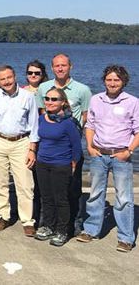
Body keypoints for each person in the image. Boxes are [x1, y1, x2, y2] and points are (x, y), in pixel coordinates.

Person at [78, 65, 138, 253]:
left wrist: (129, 150)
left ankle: (126, 237)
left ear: (123, 82)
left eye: (116, 80)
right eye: (109, 79)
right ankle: (91, 230)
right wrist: (89, 146)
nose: (112, 83)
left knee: (123, 197)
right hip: (98, 153)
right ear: (104, 80)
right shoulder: (96, 100)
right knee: (95, 194)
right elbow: (90, 125)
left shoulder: (133, 102)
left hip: (120, 155)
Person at [36, 53, 92, 235]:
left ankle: (71, 224)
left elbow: (85, 118)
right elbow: (44, 114)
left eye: (64, 65)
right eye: (56, 66)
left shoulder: (82, 90)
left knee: (72, 190)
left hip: (69, 148)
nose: (60, 68)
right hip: (49, 151)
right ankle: (49, 224)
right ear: (52, 68)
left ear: (70, 67)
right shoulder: (44, 88)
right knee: (48, 193)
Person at [0, 65, 39, 236]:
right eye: (3, 79)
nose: (6, 81)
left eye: (9, 77)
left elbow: (34, 125)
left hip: (21, 142)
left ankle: (27, 220)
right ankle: (3, 216)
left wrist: (32, 149)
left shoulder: (28, 97)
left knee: (25, 184)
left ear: (15, 77)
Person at [33, 87, 82, 246]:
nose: (50, 102)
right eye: (47, 98)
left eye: (54, 99)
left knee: (61, 199)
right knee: (46, 198)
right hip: (42, 164)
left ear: (63, 102)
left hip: (61, 165)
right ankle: (48, 225)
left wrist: (73, 165)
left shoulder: (68, 122)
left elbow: (77, 147)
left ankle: (62, 231)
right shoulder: (41, 118)